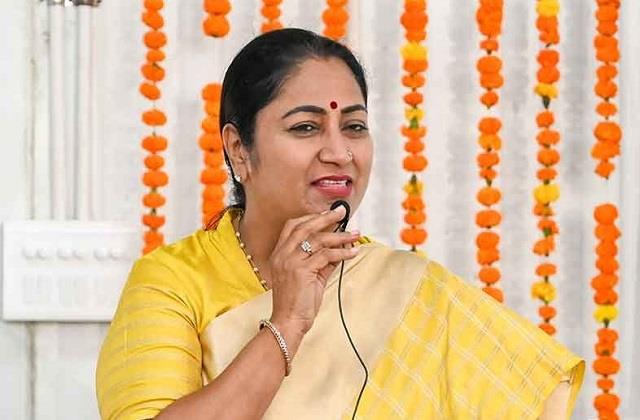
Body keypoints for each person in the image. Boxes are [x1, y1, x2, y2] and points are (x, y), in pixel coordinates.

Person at [96, 28, 584, 419]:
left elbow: (532, 399)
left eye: (354, 126)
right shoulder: (173, 283)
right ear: (239, 149)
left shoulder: (407, 289)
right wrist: (288, 322)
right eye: (305, 127)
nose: (339, 152)